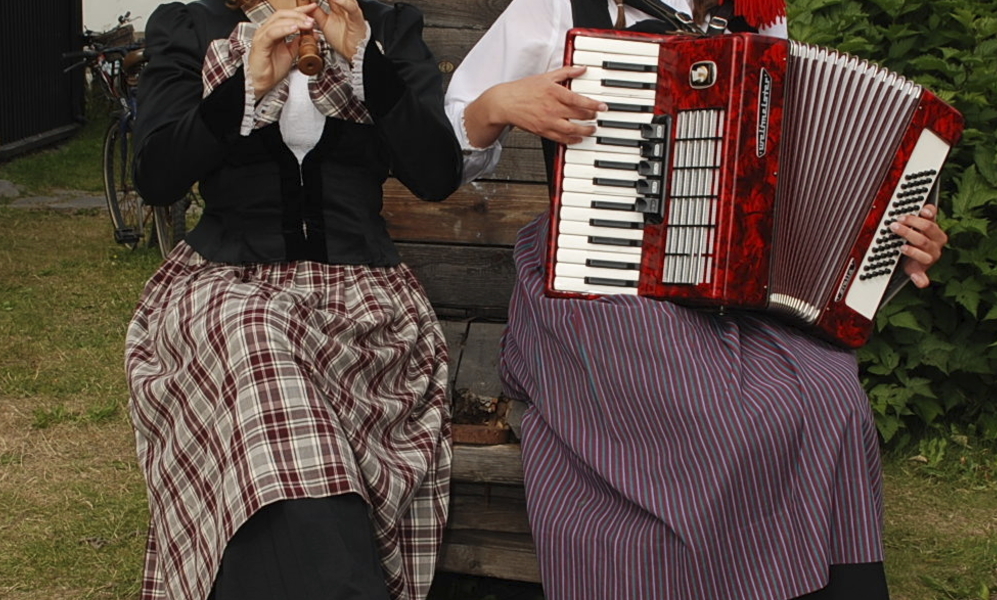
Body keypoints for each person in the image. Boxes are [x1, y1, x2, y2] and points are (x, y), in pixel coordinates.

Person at [442, 1, 950, 598]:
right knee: (717, 410)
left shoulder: (756, 16)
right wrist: (498, 104)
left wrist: (893, 238)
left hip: (731, 283)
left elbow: (787, 178)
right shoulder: (560, 5)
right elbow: (448, 143)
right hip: (603, 274)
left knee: (830, 393)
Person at [121, 0, 462, 598]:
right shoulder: (192, 26)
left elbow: (437, 174)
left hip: (364, 297)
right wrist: (245, 87)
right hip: (226, 283)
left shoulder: (386, 26)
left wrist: (365, 61)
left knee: (260, 356)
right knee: (253, 334)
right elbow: (156, 176)